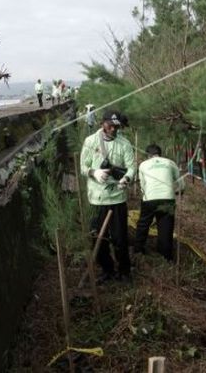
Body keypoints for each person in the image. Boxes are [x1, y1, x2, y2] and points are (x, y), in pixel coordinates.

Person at [80, 109, 136, 283]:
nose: (113, 129)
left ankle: (124, 271)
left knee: (120, 238)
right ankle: (107, 269)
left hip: (117, 197)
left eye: (116, 127)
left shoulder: (124, 143)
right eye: (110, 126)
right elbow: (83, 166)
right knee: (97, 237)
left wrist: (126, 178)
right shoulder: (90, 142)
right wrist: (94, 172)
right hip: (96, 198)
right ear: (102, 123)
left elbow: (132, 166)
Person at [134, 144, 183, 261]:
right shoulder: (170, 162)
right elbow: (180, 181)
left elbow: (142, 185)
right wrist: (179, 191)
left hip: (149, 198)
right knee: (166, 226)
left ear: (148, 155)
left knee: (143, 224)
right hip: (167, 198)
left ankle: (138, 250)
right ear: (160, 154)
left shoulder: (143, 165)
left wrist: (146, 195)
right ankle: (165, 256)